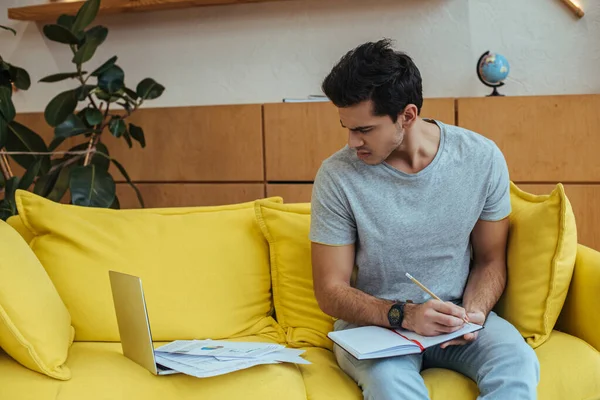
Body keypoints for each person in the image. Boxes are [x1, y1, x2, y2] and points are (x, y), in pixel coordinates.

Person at [309, 38, 540, 400]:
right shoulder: (337, 176)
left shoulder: (481, 158)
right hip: (377, 327)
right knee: (390, 386)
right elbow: (330, 290)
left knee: (518, 363)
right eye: (347, 128)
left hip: (457, 320)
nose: (353, 142)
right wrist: (405, 315)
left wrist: (474, 312)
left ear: (408, 115)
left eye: (365, 129)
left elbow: (491, 259)